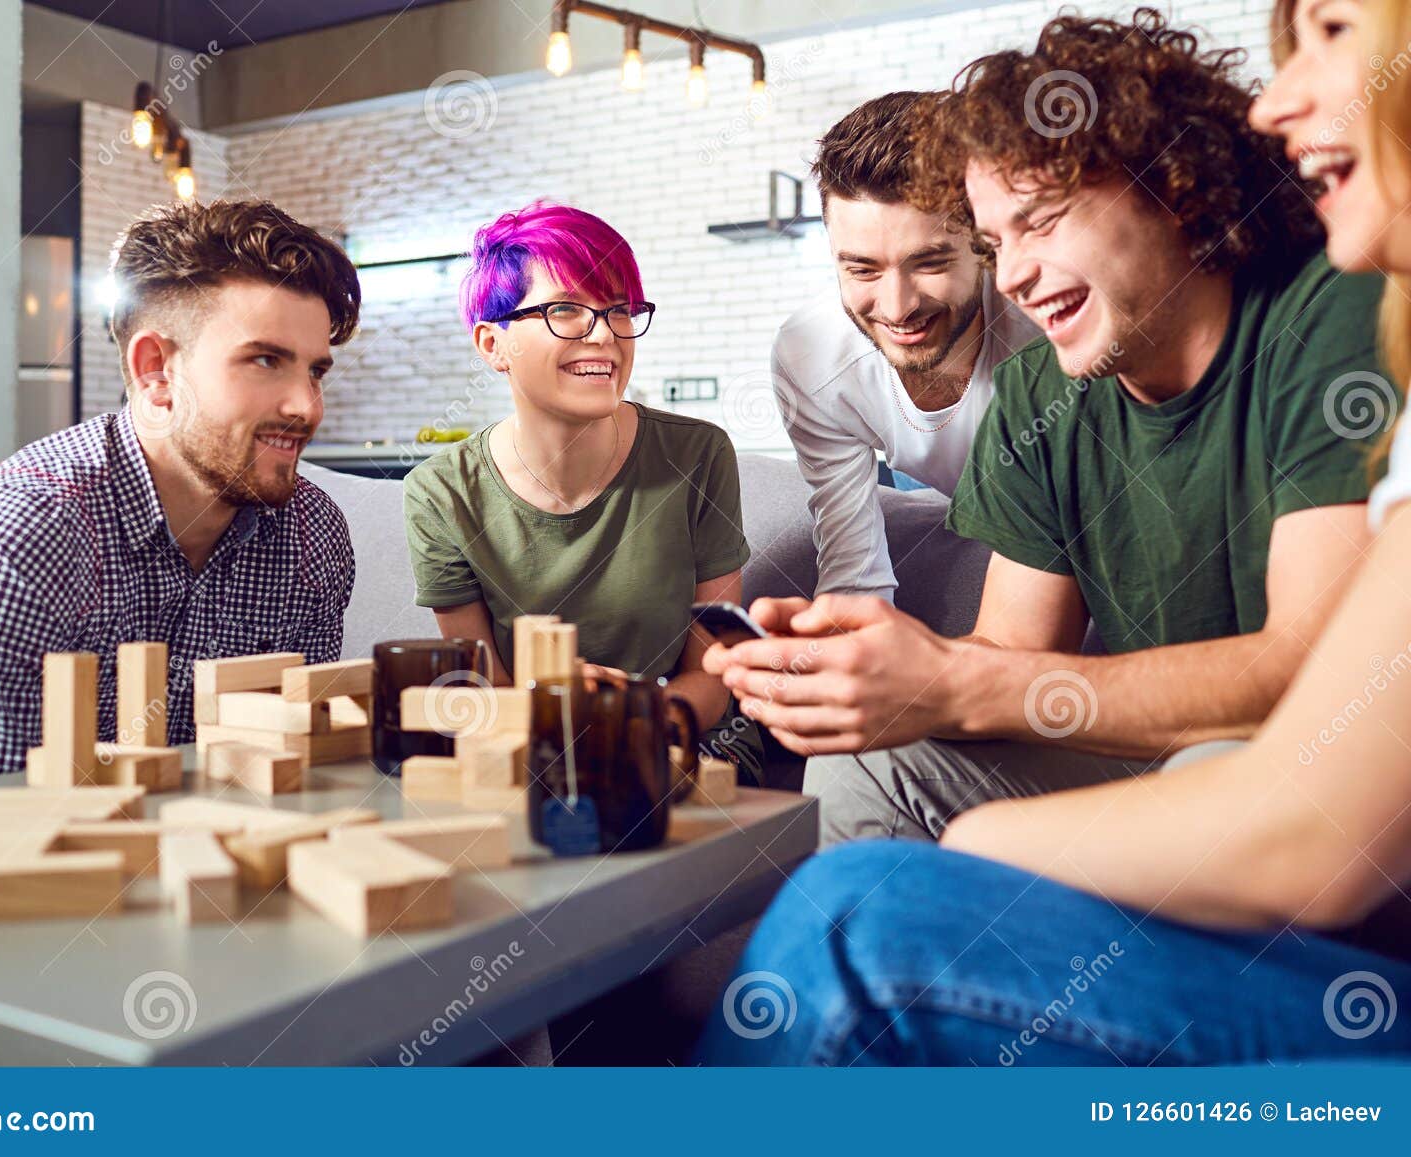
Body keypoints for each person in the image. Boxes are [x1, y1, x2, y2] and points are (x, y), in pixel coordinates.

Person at [692, 0, 1411, 1067]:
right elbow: (1009, 660)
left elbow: (1302, 674)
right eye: (995, 243)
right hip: (1151, 759)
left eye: (1041, 221)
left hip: (1298, 781)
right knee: (871, 768)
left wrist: (960, 715)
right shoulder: (1044, 394)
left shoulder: (1333, 309)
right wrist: (882, 670)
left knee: (1195, 767)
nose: (1015, 274)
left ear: (1172, 184)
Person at [0, 199, 360, 781]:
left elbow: (288, 771)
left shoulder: (312, 534)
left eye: (315, 371)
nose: (306, 407)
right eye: (266, 360)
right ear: (155, 371)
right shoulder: (17, 540)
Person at [403, 201, 763, 780]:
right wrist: (566, 726)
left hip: (685, 737)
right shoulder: (442, 494)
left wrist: (639, 717)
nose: (605, 334)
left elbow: (716, 673)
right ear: (493, 344)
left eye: (619, 309)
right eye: (566, 310)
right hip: (534, 747)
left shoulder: (697, 455)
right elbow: (487, 690)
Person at [772, 92, 1038, 598]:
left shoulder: (1044, 324)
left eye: (930, 263)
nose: (897, 309)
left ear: (984, 244)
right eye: (862, 269)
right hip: (956, 503)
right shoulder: (808, 355)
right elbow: (855, 574)